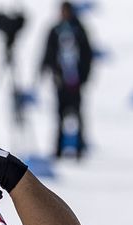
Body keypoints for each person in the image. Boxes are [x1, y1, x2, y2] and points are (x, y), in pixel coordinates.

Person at [39, 1, 94, 160]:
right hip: (60, 81)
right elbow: (48, 52)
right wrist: (45, 69)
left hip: (76, 81)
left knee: (77, 115)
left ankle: (79, 148)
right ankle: (58, 149)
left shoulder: (80, 30)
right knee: (59, 116)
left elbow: (87, 55)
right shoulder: (55, 30)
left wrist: (84, 77)